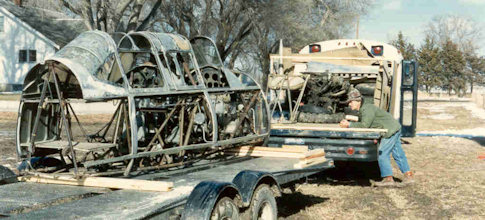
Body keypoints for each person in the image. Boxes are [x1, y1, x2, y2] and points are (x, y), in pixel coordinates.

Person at [339, 89, 414, 187]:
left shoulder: (367, 109)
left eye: (350, 102)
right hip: (394, 127)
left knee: (382, 152)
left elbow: (365, 125)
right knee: (398, 153)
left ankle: (388, 178)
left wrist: (349, 124)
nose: (349, 104)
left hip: (390, 130)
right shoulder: (365, 108)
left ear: (358, 101)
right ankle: (408, 176)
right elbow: (367, 120)